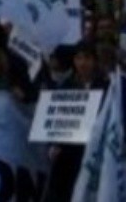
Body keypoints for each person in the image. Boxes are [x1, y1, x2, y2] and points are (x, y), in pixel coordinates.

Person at [46, 43, 108, 201]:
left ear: (94, 61)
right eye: (78, 58)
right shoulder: (64, 87)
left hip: (95, 151)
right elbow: (55, 120)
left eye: (87, 58)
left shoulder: (106, 87)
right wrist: (53, 145)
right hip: (69, 155)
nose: (83, 63)